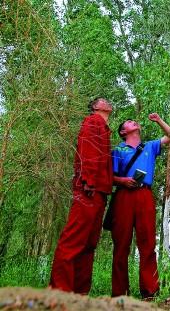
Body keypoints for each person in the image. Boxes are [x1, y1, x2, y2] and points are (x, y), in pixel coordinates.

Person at [49, 97, 113, 293]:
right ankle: (59, 291)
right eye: (103, 101)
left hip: (99, 192)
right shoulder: (93, 121)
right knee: (73, 240)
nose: (108, 102)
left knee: (89, 244)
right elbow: (88, 151)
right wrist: (88, 181)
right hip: (89, 189)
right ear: (95, 107)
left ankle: (79, 292)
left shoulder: (104, 127)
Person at [111, 113, 170, 299]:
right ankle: (119, 294)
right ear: (124, 132)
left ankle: (150, 292)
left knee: (147, 243)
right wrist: (123, 180)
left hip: (145, 195)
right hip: (124, 196)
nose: (134, 122)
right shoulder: (118, 150)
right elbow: (110, 177)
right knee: (121, 245)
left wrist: (159, 121)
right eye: (130, 122)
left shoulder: (149, 146)